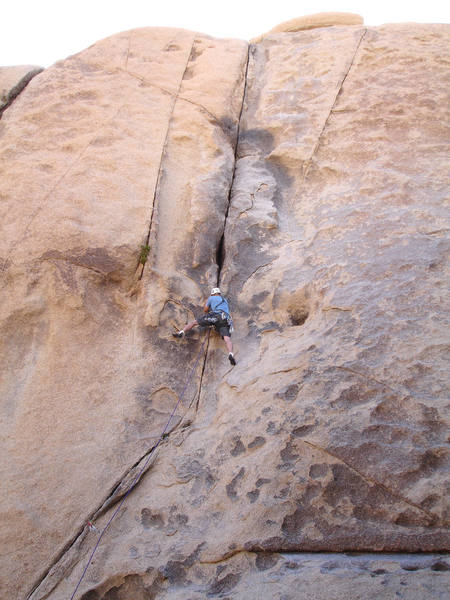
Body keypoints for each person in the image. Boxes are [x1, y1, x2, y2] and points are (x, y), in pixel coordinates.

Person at [173, 287, 236, 365]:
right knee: (227, 339)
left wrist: (209, 306)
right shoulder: (225, 300)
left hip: (216, 316)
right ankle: (230, 353)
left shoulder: (211, 298)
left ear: (212, 293)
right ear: (219, 293)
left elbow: (205, 310)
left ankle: (181, 332)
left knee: (194, 323)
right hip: (226, 320)